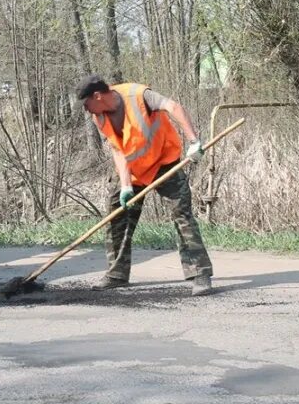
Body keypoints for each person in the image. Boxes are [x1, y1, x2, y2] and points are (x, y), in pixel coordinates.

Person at [77, 74, 214, 296]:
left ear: (97, 96)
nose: (86, 109)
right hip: (134, 171)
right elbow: (117, 150)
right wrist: (125, 186)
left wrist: (193, 141)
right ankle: (116, 274)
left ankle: (199, 274)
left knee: (182, 214)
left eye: (86, 104)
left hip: (164, 163)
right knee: (116, 214)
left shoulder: (138, 95)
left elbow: (173, 106)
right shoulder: (99, 116)